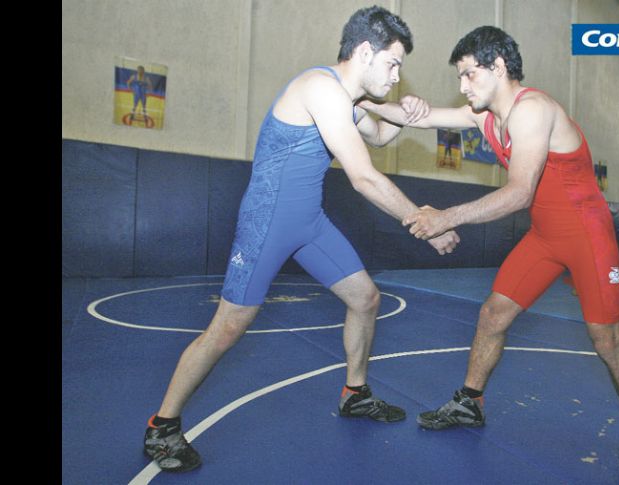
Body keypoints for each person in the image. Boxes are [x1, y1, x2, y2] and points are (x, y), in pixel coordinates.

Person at [143, 6, 459, 472]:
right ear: (365, 51)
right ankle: (162, 426)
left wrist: (404, 115)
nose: (396, 75)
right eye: (393, 63)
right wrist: (423, 222)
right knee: (228, 327)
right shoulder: (320, 88)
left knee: (366, 299)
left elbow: (377, 136)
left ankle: (355, 393)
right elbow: (364, 178)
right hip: (268, 221)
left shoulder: (347, 102)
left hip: (308, 222)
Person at [360, 26, 619, 475]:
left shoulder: (532, 110)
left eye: (468, 75)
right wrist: (358, 97)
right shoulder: (485, 116)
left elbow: (520, 192)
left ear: (498, 67)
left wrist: (445, 217)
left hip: (587, 236)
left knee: (607, 340)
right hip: (545, 235)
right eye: (460, 77)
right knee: (492, 314)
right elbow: (418, 119)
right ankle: (470, 402)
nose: (462, 86)